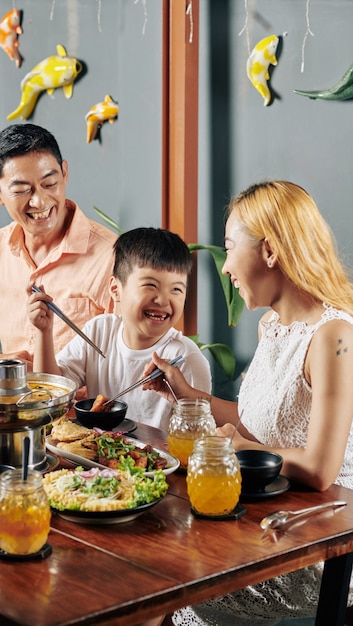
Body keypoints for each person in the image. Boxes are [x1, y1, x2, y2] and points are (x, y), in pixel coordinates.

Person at [142, 180, 353, 624]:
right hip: (273, 509)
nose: (224, 268)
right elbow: (263, 422)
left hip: (325, 538)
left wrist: (240, 449)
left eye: (229, 247)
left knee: (173, 585)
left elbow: (319, 469)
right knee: (152, 551)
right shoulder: (272, 327)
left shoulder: (336, 337)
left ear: (270, 251)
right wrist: (187, 393)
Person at [0, 124, 118, 369]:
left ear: (65, 173)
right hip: (6, 403)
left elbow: (130, 360)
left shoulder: (112, 257)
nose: (40, 200)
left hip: (80, 406)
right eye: (22, 190)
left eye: (50, 183)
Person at [27, 227, 212, 430]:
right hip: (97, 454)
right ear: (116, 290)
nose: (162, 300)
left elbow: (198, 436)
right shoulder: (99, 331)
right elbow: (53, 393)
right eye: (150, 285)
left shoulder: (186, 358)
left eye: (176, 289)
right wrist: (44, 331)